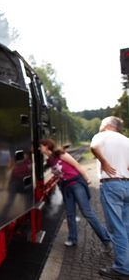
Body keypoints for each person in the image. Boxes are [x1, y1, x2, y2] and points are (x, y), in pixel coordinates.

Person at [39, 139, 111, 249]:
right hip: (65, 187)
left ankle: (106, 239)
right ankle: (72, 239)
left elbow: (77, 165)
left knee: (87, 212)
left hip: (76, 183)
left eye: (40, 146)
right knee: (70, 214)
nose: (39, 149)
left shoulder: (61, 154)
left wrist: (87, 179)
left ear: (46, 146)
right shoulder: (50, 161)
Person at [90, 116, 129, 279]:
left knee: (116, 226)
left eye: (101, 123)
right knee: (126, 226)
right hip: (127, 184)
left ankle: (122, 268)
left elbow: (93, 147)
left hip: (112, 185)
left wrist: (103, 162)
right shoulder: (126, 139)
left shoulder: (101, 135)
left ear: (107, 125)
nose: (100, 126)